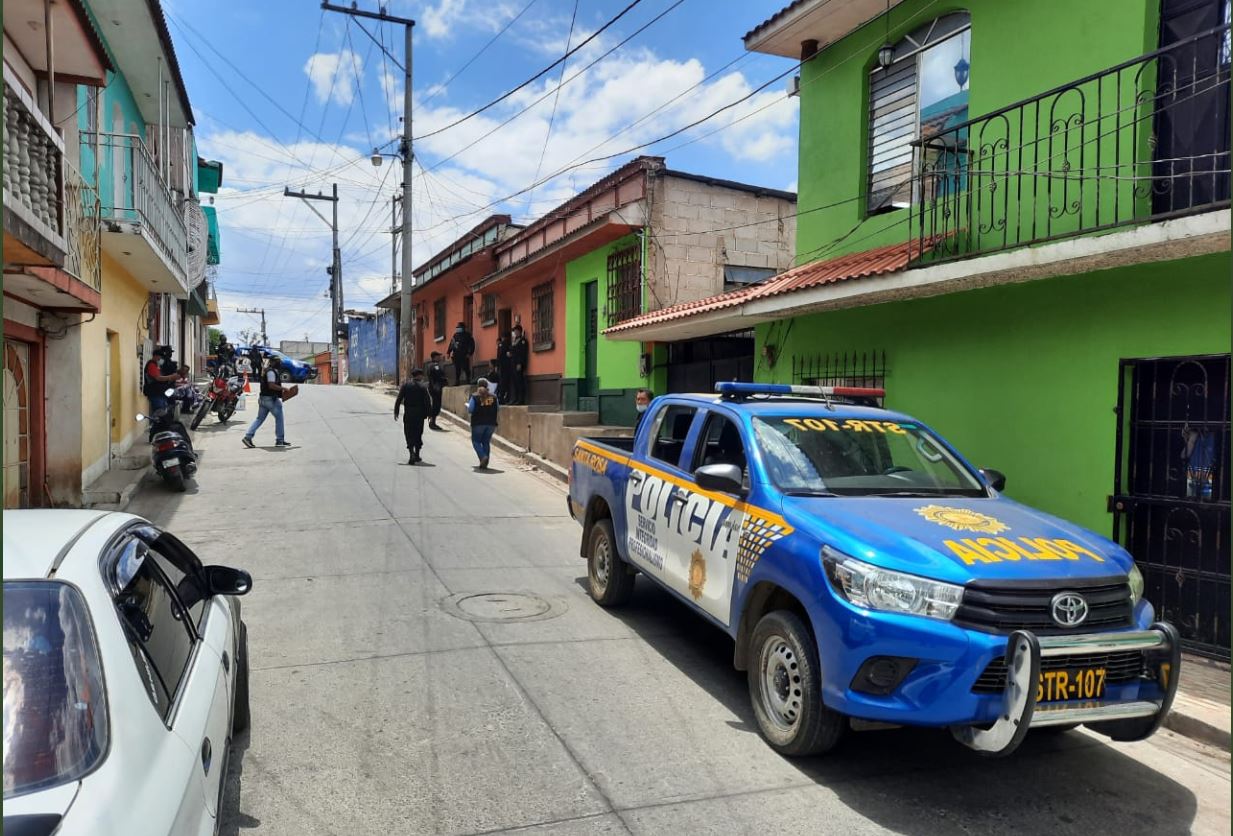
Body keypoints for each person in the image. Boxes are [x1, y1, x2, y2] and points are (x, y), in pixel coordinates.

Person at [242, 356, 289, 448]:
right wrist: (284, 388)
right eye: (278, 361)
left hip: (263, 399)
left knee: (259, 419)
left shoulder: (268, 370)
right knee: (279, 418)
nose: (280, 363)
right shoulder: (271, 372)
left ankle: (248, 437)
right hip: (270, 399)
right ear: (273, 362)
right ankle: (280, 440)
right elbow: (271, 385)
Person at [394, 368, 433, 464]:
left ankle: (411, 452)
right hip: (419, 414)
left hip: (408, 413)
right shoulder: (423, 387)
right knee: (418, 433)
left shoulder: (406, 385)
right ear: (419, 376)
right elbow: (427, 401)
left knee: (409, 433)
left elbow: (399, 399)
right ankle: (417, 455)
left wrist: (396, 411)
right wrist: (429, 414)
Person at [465, 378, 499, 469]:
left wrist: (467, 406)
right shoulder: (494, 397)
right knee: (486, 442)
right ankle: (485, 461)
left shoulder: (475, 396)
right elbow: (498, 409)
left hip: (478, 423)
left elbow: (471, 409)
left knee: (476, 441)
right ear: (487, 386)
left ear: (478, 386)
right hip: (491, 423)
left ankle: (483, 457)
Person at [142, 345, 179, 418]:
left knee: (164, 411)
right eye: (160, 357)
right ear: (155, 356)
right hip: (155, 392)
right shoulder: (151, 365)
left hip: (159, 392)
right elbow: (158, 378)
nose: (160, 359)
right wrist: (170, 377)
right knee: (159, 413)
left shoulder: (156, 365)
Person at [426, 351, 448, 431]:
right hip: (436, 388)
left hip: (433, 387)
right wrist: (444, 380)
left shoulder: (429, 365)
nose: (439, 357)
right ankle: (432, 422)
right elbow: (439, 375)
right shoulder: (435, 366)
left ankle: (432, 421)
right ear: (434, 357)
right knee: (436, 405)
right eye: (438, 356)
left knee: (435, 404)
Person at [509, 324, 529, 405]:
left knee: (519, 381)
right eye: (514, 331)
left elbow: (522, 353)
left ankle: (521, 399)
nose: (515, 332)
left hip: (518, 364)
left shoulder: (523, 341)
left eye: (516, 331)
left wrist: (520, 363)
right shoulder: (515, 341)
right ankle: (515, 398)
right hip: (512, 363)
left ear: (520, 331)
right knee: (514, 382)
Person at [496, 334, 514, 404]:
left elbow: (499, 356)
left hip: (503, 366)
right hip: (507, 366)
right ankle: (505, 397)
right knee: (506, 383)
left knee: (503, 382)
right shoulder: (509, 344)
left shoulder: (503, 344)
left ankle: (502, 398)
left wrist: (497, 365)